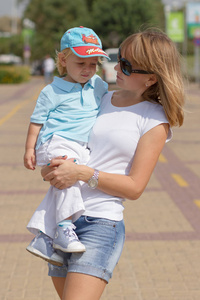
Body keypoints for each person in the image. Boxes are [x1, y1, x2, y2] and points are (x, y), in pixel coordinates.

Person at [41, 29, 185, 300]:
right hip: (63, 218)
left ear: (151, 78)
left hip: (101, 224)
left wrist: (81, 173)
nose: (116, 67)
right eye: (119, 58)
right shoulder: (98, 97)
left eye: (127, 65)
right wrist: (52, 166)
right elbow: (68, 142)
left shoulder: (154, 120)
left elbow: (134, 187)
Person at [24, 26, 109, 266]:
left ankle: (44, 238)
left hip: (82, 146)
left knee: (66, 183)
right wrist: (30, 150)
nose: (87, 69)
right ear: (63, 59)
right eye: (81, 63)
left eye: (93, 64)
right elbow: (36, 122)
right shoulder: (51, 91)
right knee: (68, 175)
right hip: (56, 141)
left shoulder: (99, 86)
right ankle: (62, 227)